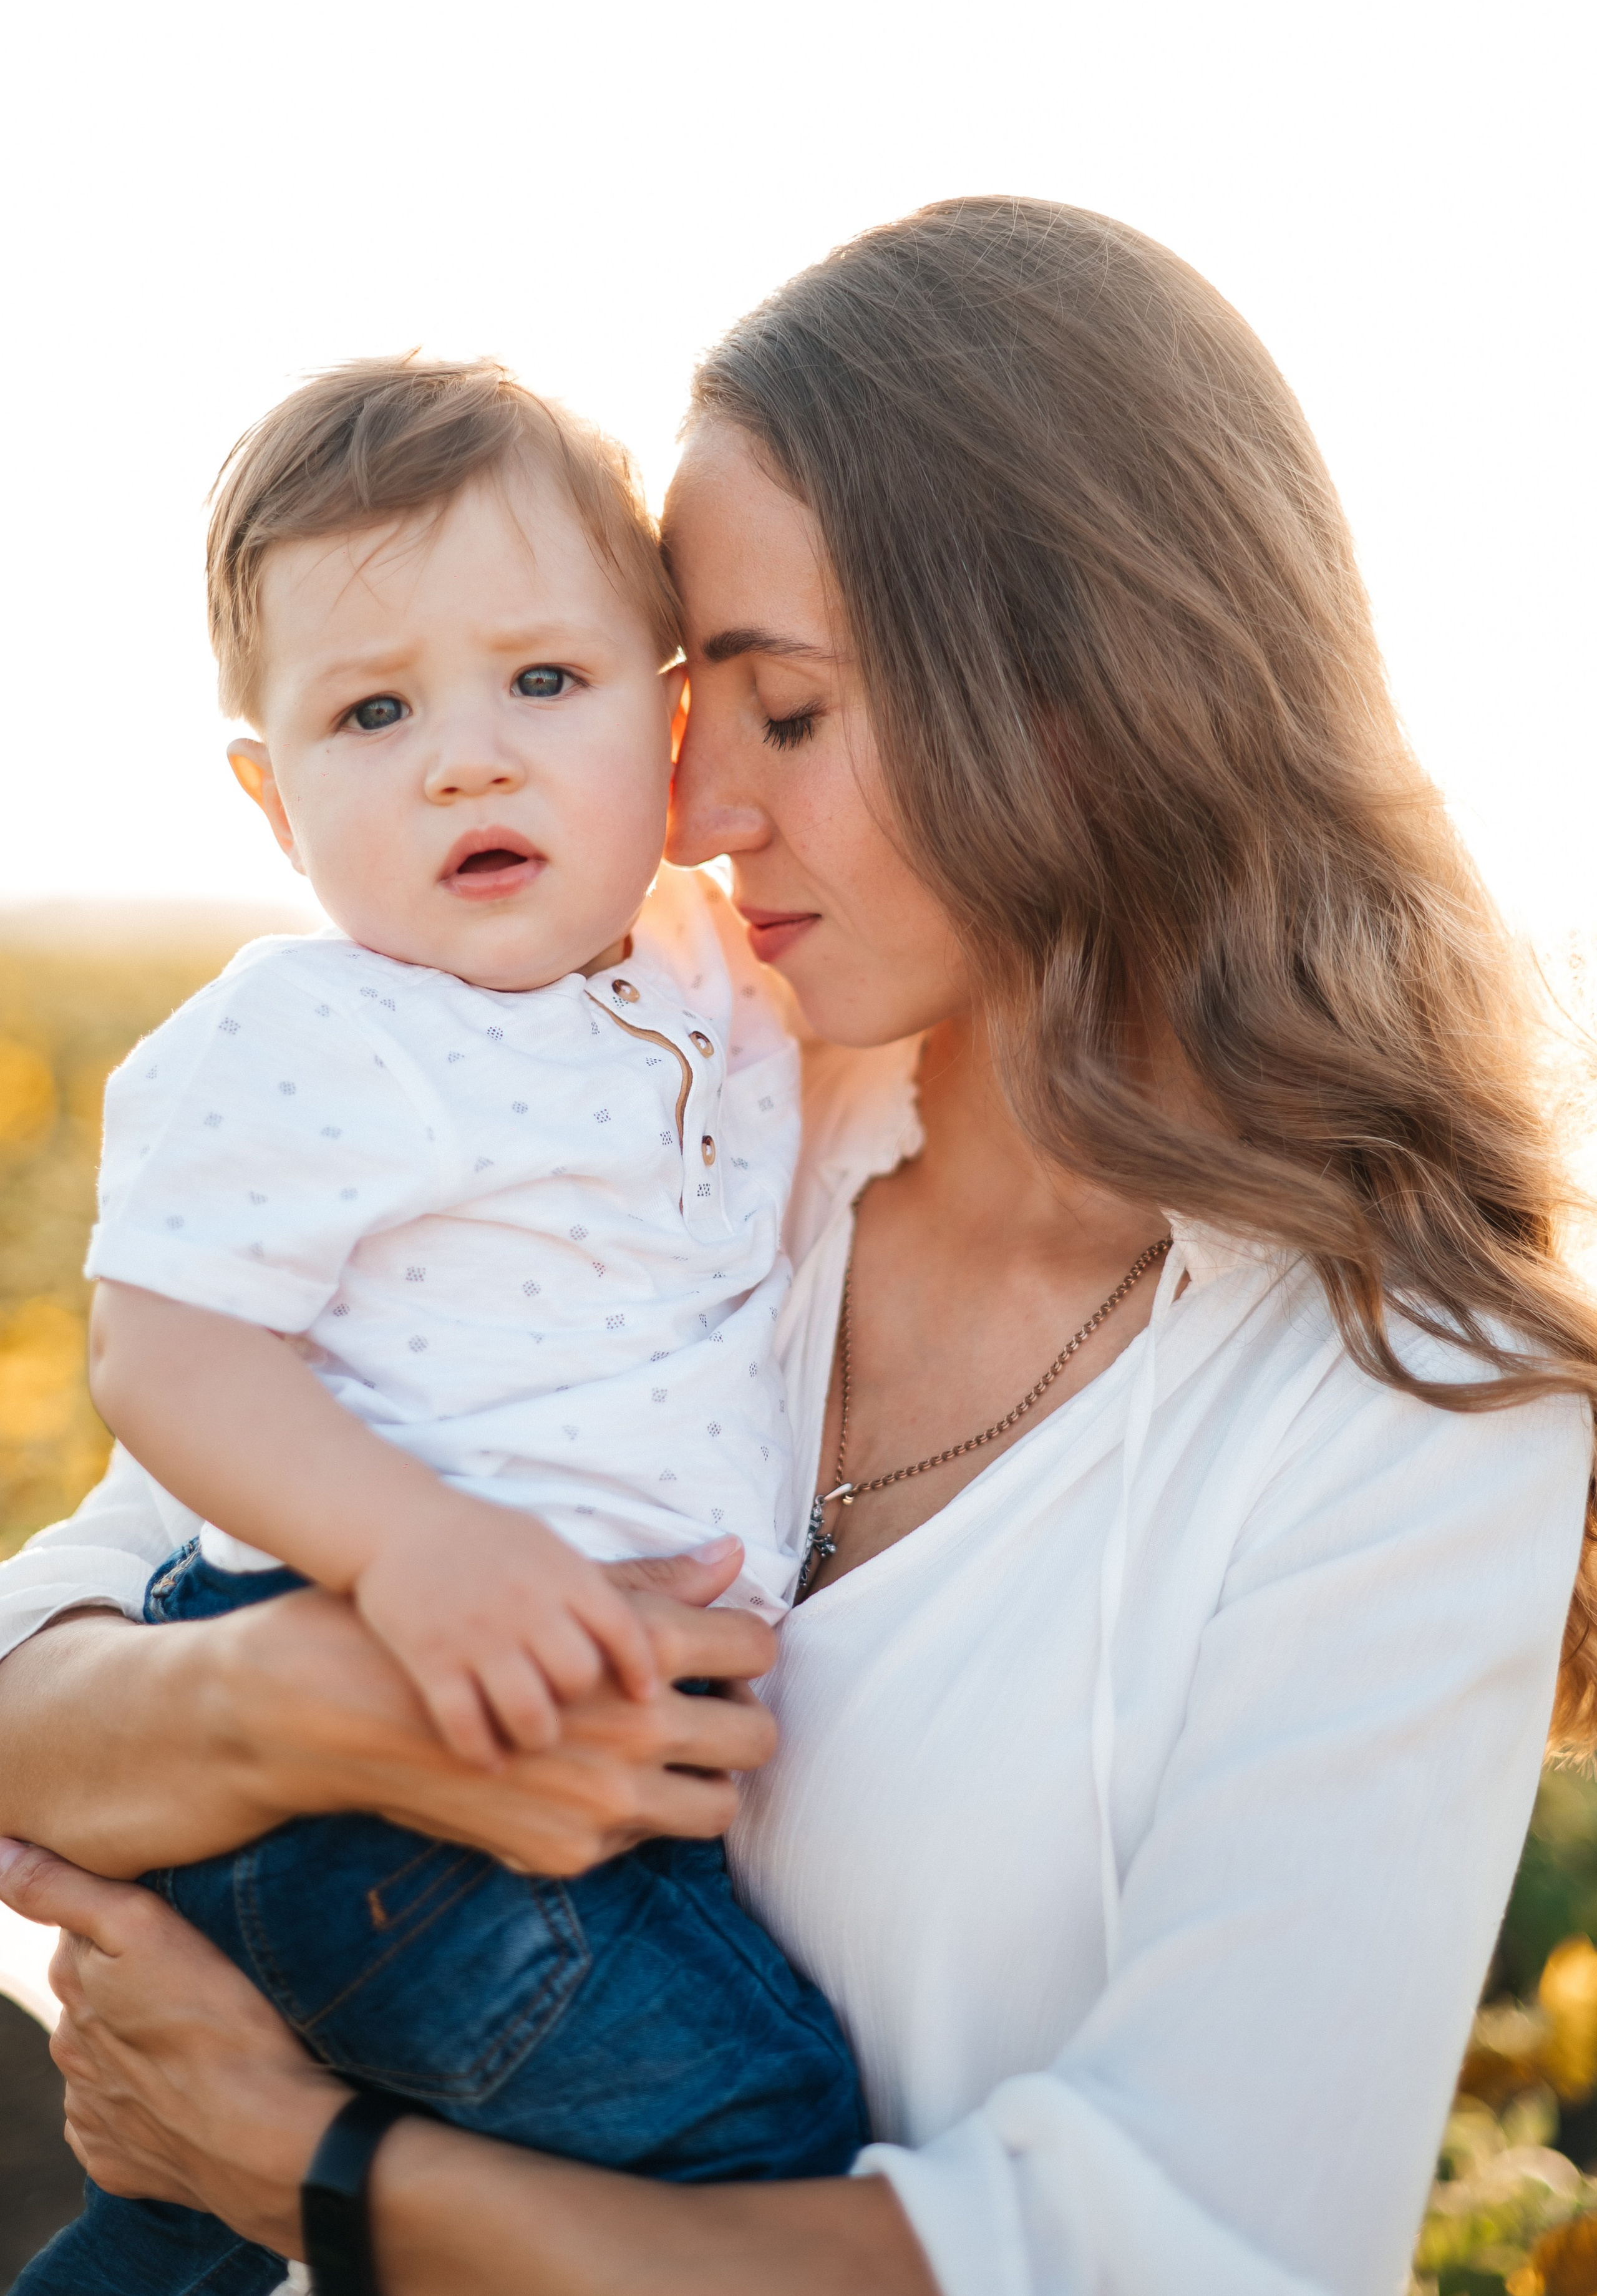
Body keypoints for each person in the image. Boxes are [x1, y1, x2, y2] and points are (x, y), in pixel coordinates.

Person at [1, 194, 1595, 2296]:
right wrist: (287, 1707)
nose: (694, 813)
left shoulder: (1421, 1414)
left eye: (787, 714)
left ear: (1080, 700)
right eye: (682, 710)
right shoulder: (702, 1089)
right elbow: (57, 1650)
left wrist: (310, 2169)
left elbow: (1183, 2256)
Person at [11, 359, 866, 2293]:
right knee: (757, 2134)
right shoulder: (317, 1033)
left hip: (510, 1756)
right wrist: (415, 1546)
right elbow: (170, 1354)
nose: (466, 758)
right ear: (272, 794)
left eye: (541, 684)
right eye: (374, 711)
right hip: (380, 1739)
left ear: (668, 728)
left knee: (178, 2228)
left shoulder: (716, 972)